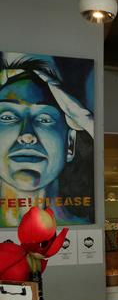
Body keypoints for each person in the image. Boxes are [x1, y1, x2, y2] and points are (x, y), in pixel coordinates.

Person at [0, 53, 94, 226]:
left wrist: (86, 119)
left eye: (44, 119)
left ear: (70, 144)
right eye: (7, 117)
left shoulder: (81, 225)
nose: (27, 136)